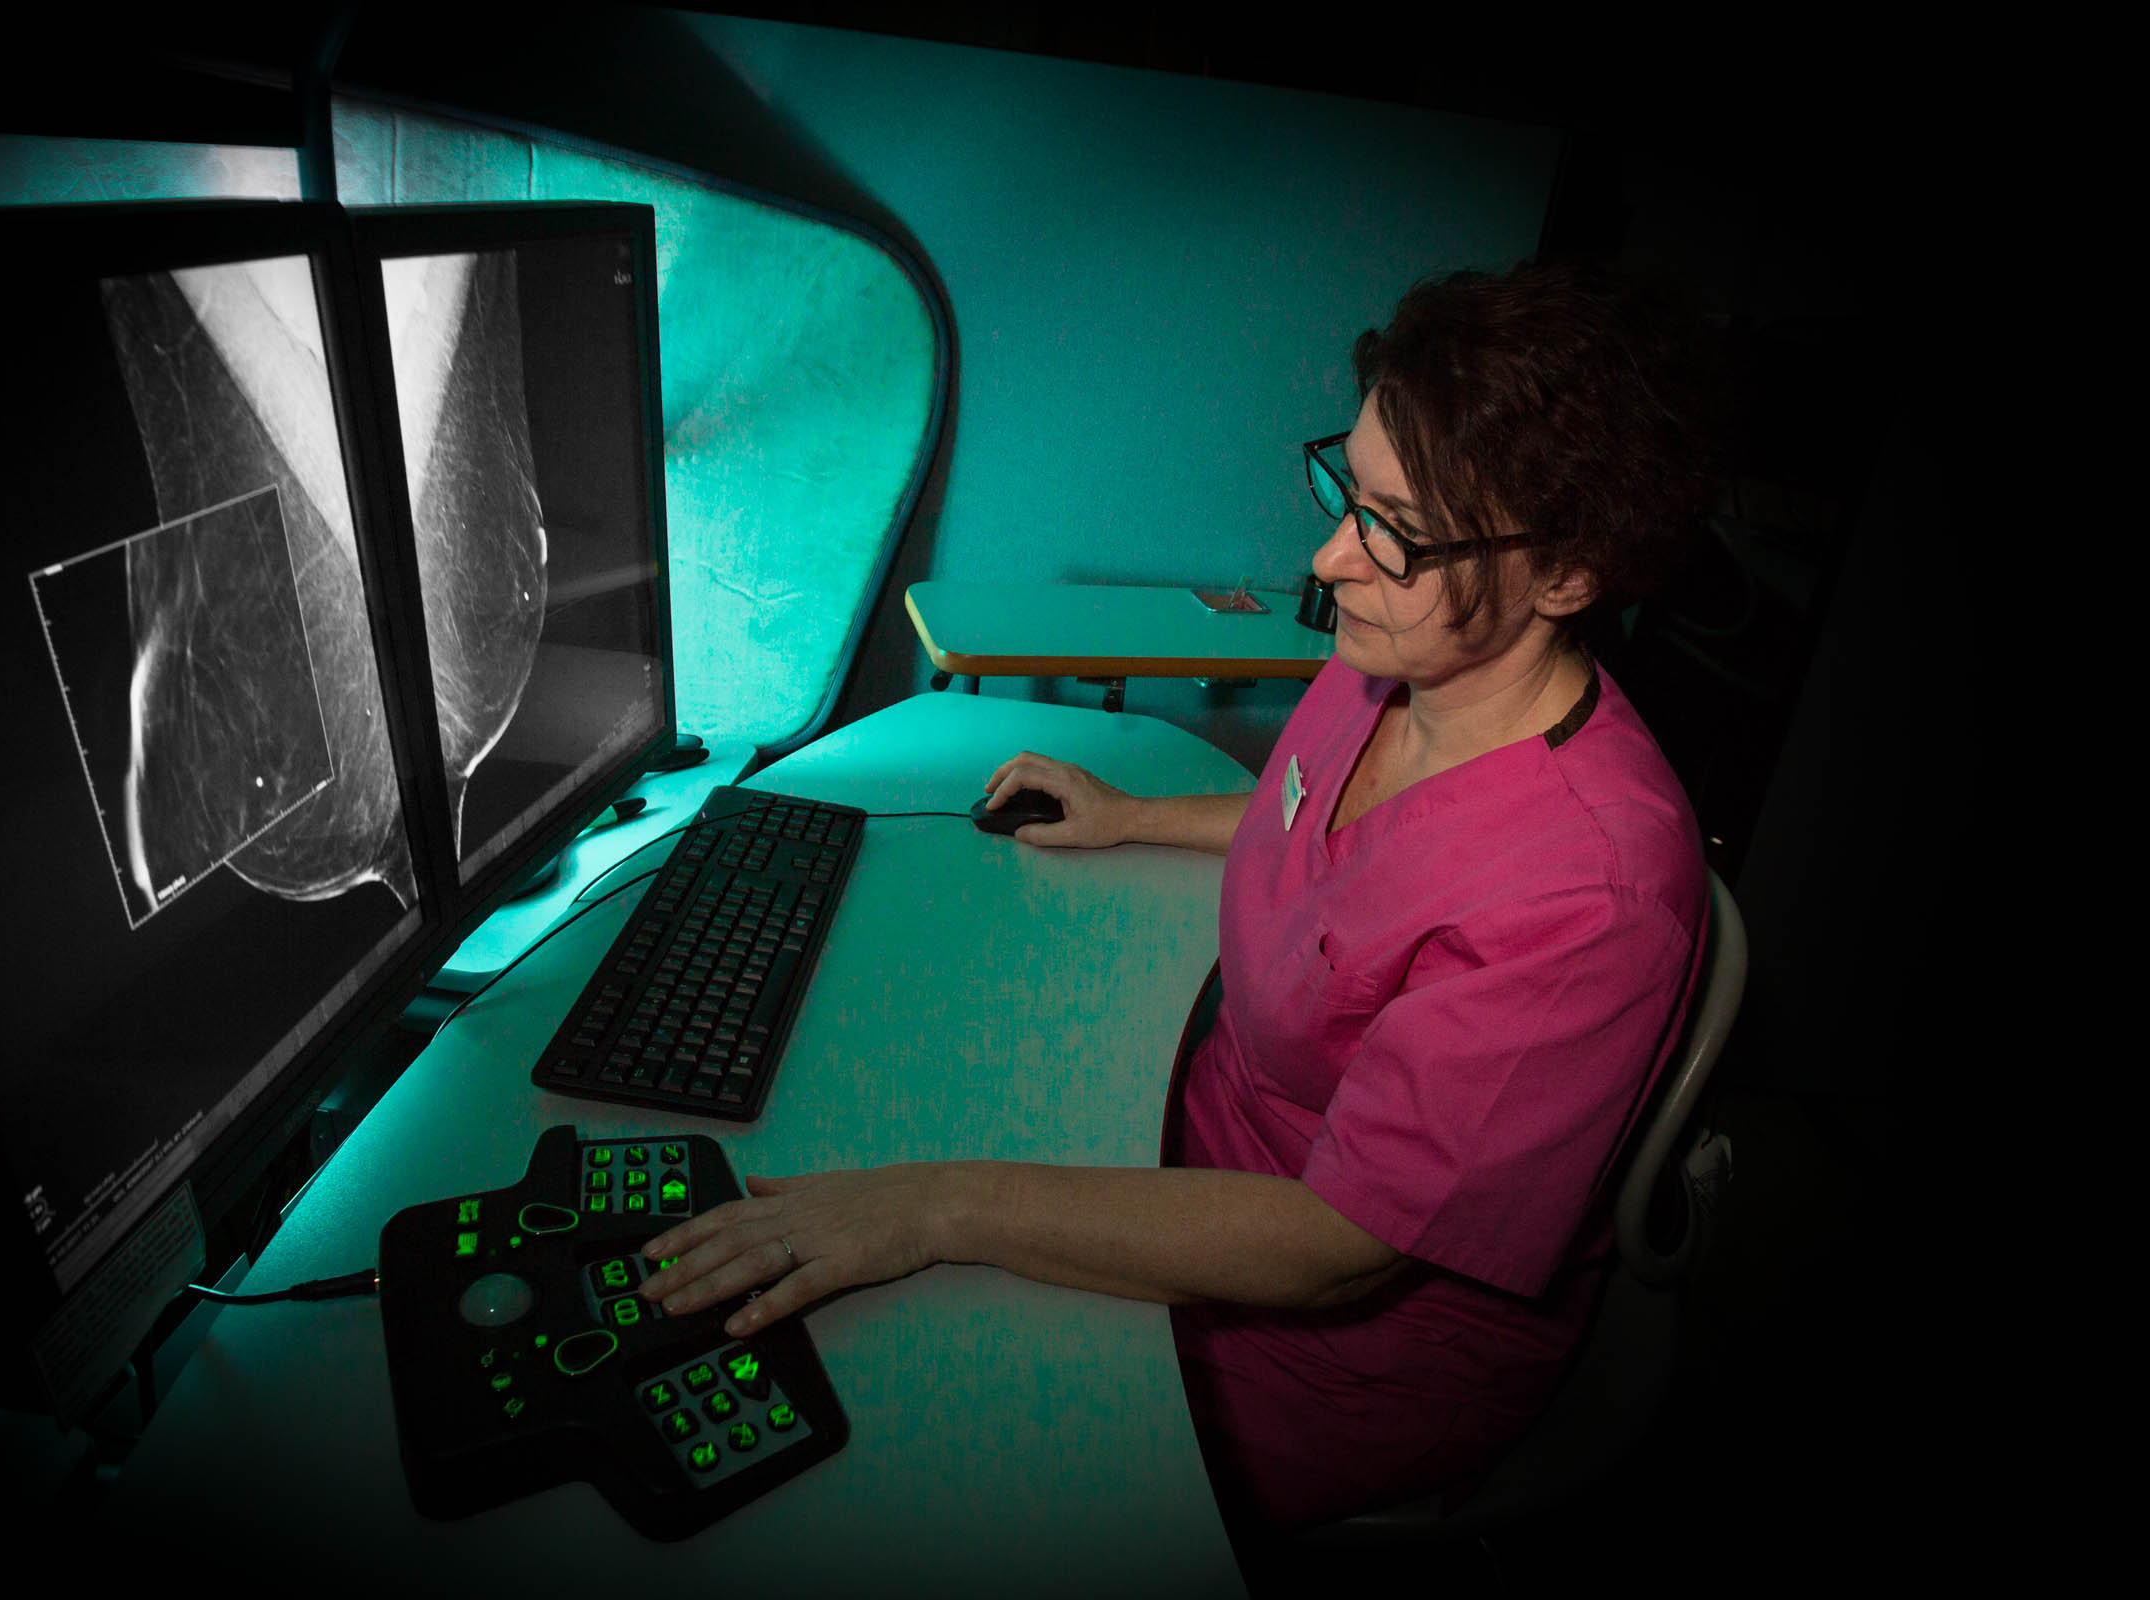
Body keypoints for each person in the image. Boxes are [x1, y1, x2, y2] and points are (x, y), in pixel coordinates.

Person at [640, 257, 1719, 1533]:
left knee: (909, 1461)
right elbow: (1320, 823)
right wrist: (1132, 817)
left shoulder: (1591, 893)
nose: (1331, 557)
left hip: (1345, 1340)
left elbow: (1339, 1250)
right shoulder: (1404, 663)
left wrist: (939, 1205)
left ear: (1568, 576)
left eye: (1398, 532)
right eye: (1347, 492)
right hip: (1203, 1143)